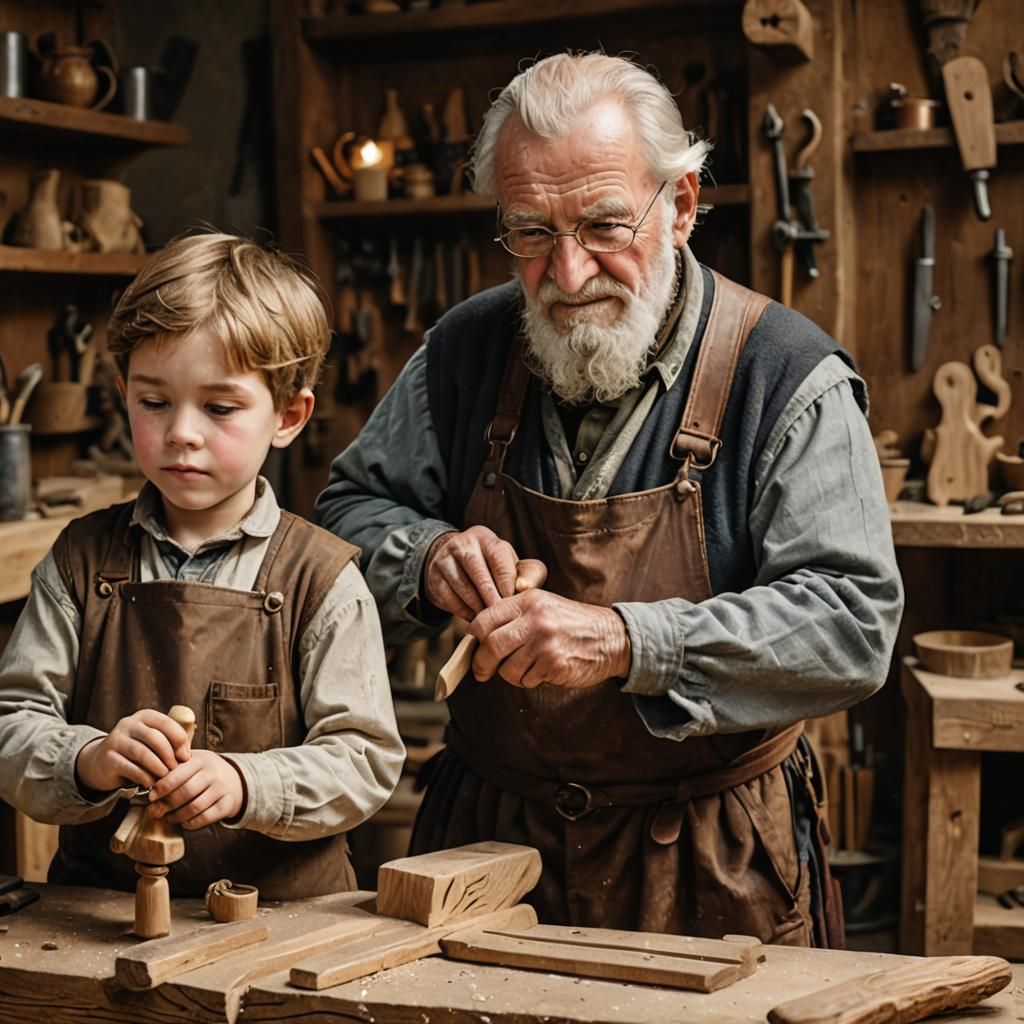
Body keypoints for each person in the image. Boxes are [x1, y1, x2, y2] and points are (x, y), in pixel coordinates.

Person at [315, 53, 903, 945]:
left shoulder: (787, 377)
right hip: (488, 847)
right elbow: (345, 514)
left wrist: (628, 640)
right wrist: (428, 558)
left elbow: (852, 627)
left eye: (602, 223)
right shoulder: (464, 350)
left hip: (711, 856)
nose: (568, 269)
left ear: (682, 207)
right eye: (528, 232)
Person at [0, 233, 404, 899]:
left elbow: (364, 760)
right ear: (124, 391)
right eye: (154, 402)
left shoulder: (322, 581)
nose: (182, 431)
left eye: (219, 408)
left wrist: (249, 783)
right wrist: (89, 759)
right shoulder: (78, 561)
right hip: (100, 918)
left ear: (289, 415)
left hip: (287, 925)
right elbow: (13, 722)